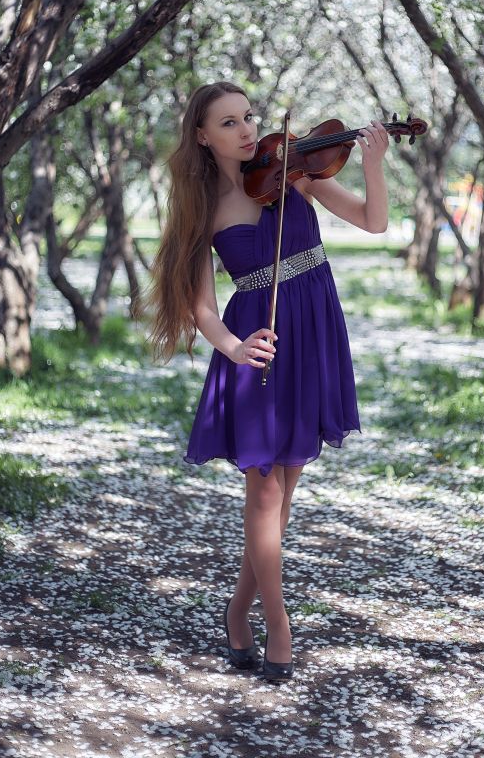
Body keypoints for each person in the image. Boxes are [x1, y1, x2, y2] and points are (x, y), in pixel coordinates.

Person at [145, 80, 389, 682]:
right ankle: (278, 624)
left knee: (286, 487)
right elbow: (202, 307)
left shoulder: (294, 173)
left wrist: (374, 164)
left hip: (313, 328)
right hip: (258, 343)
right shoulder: (204, 207)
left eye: (248, 116)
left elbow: (374, 221)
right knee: (265, 493)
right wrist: (233, 348)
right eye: (228, 122)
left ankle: (237, 610)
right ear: (203, 137)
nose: (247, 129)